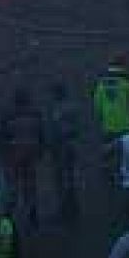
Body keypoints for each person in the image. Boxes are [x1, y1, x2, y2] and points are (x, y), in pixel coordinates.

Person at [93, 55, 129, 194]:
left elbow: (97, 109)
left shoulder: (100, 86)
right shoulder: (128, 85)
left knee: (109, 156)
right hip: (126, 127)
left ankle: (111, 182)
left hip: (108, 128)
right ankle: (126, 186)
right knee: (126, 158)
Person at [0, 88, 45, 226]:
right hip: (30, 153)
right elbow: (41, 134)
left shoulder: (8, 116)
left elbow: (0, 136)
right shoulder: (35, 115)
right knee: (29, 185)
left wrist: (2, 152)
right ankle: (32, 213)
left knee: (13, 186)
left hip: (14, 154)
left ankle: (9, 214)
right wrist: (40, 151)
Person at [44, 82, 82, 226]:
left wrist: (50, 145)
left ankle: (66, 208)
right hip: (69, 144)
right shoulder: (71, 107)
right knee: (69, 176)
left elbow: (55, 130)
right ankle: (72, 206)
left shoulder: (57, 109)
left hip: (61, 146)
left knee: (61, 177)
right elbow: (76, 128)